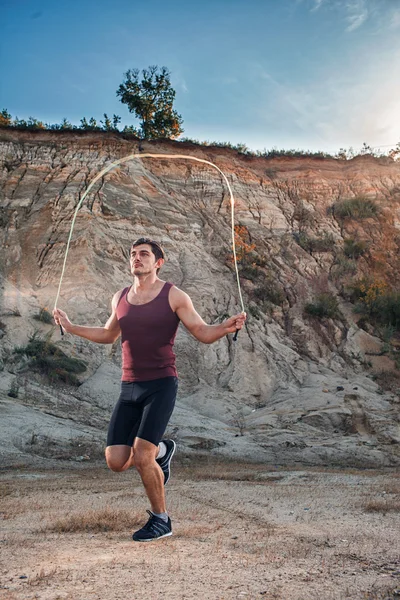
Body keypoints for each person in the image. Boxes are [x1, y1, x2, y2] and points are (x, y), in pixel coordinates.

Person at [53, 237, 246, 542]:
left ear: (158, 262)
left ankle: (161, 520)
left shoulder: (174, 296)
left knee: (143, 455)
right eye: (133, 254)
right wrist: (71, 325)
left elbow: (201, 332)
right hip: (129, 386)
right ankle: (164, 451)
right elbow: (107, 334)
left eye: (144, 254)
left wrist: (225, 326)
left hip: (161, 384)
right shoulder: (120, 298)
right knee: (116, 461)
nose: (137, 258)